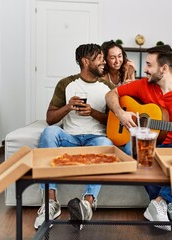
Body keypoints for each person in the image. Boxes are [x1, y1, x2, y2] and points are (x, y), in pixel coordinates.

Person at [105, 44, 172, 230]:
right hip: (146, 146)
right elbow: (111, 94)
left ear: (164, 68)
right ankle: (164, 204)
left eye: (149, 65)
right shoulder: (144, 85)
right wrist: (121, 114)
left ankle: (160, 201)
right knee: (131, 148)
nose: (145, 69)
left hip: (171, 149)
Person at [34, 43, 115, 230]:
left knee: (105, 143)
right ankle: (50, 203)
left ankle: (86, 204)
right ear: (86, 62)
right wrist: (68, 107)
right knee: (49, 132)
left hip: (96, 138)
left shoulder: (107, 87)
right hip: (70, 137)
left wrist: (93, 112)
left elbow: (113, 121)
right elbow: (49, 119)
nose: (104, 62)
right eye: (100, 59)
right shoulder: (66, 84)